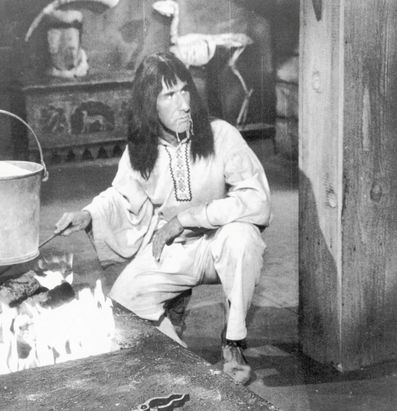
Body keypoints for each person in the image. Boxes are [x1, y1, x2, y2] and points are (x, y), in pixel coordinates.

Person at [55, 52, 271, 384]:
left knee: (243, 238)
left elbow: (256, 199)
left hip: (220, 243)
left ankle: (233, 343)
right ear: (149, 104)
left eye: (185, 90)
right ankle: (187, 362)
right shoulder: (141, 148)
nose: (183, 104)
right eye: (169, 95)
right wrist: (87, 214)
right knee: (123, 305)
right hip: (174, 249)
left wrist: (187, 218)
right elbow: (122, 195)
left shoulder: (221, 134)